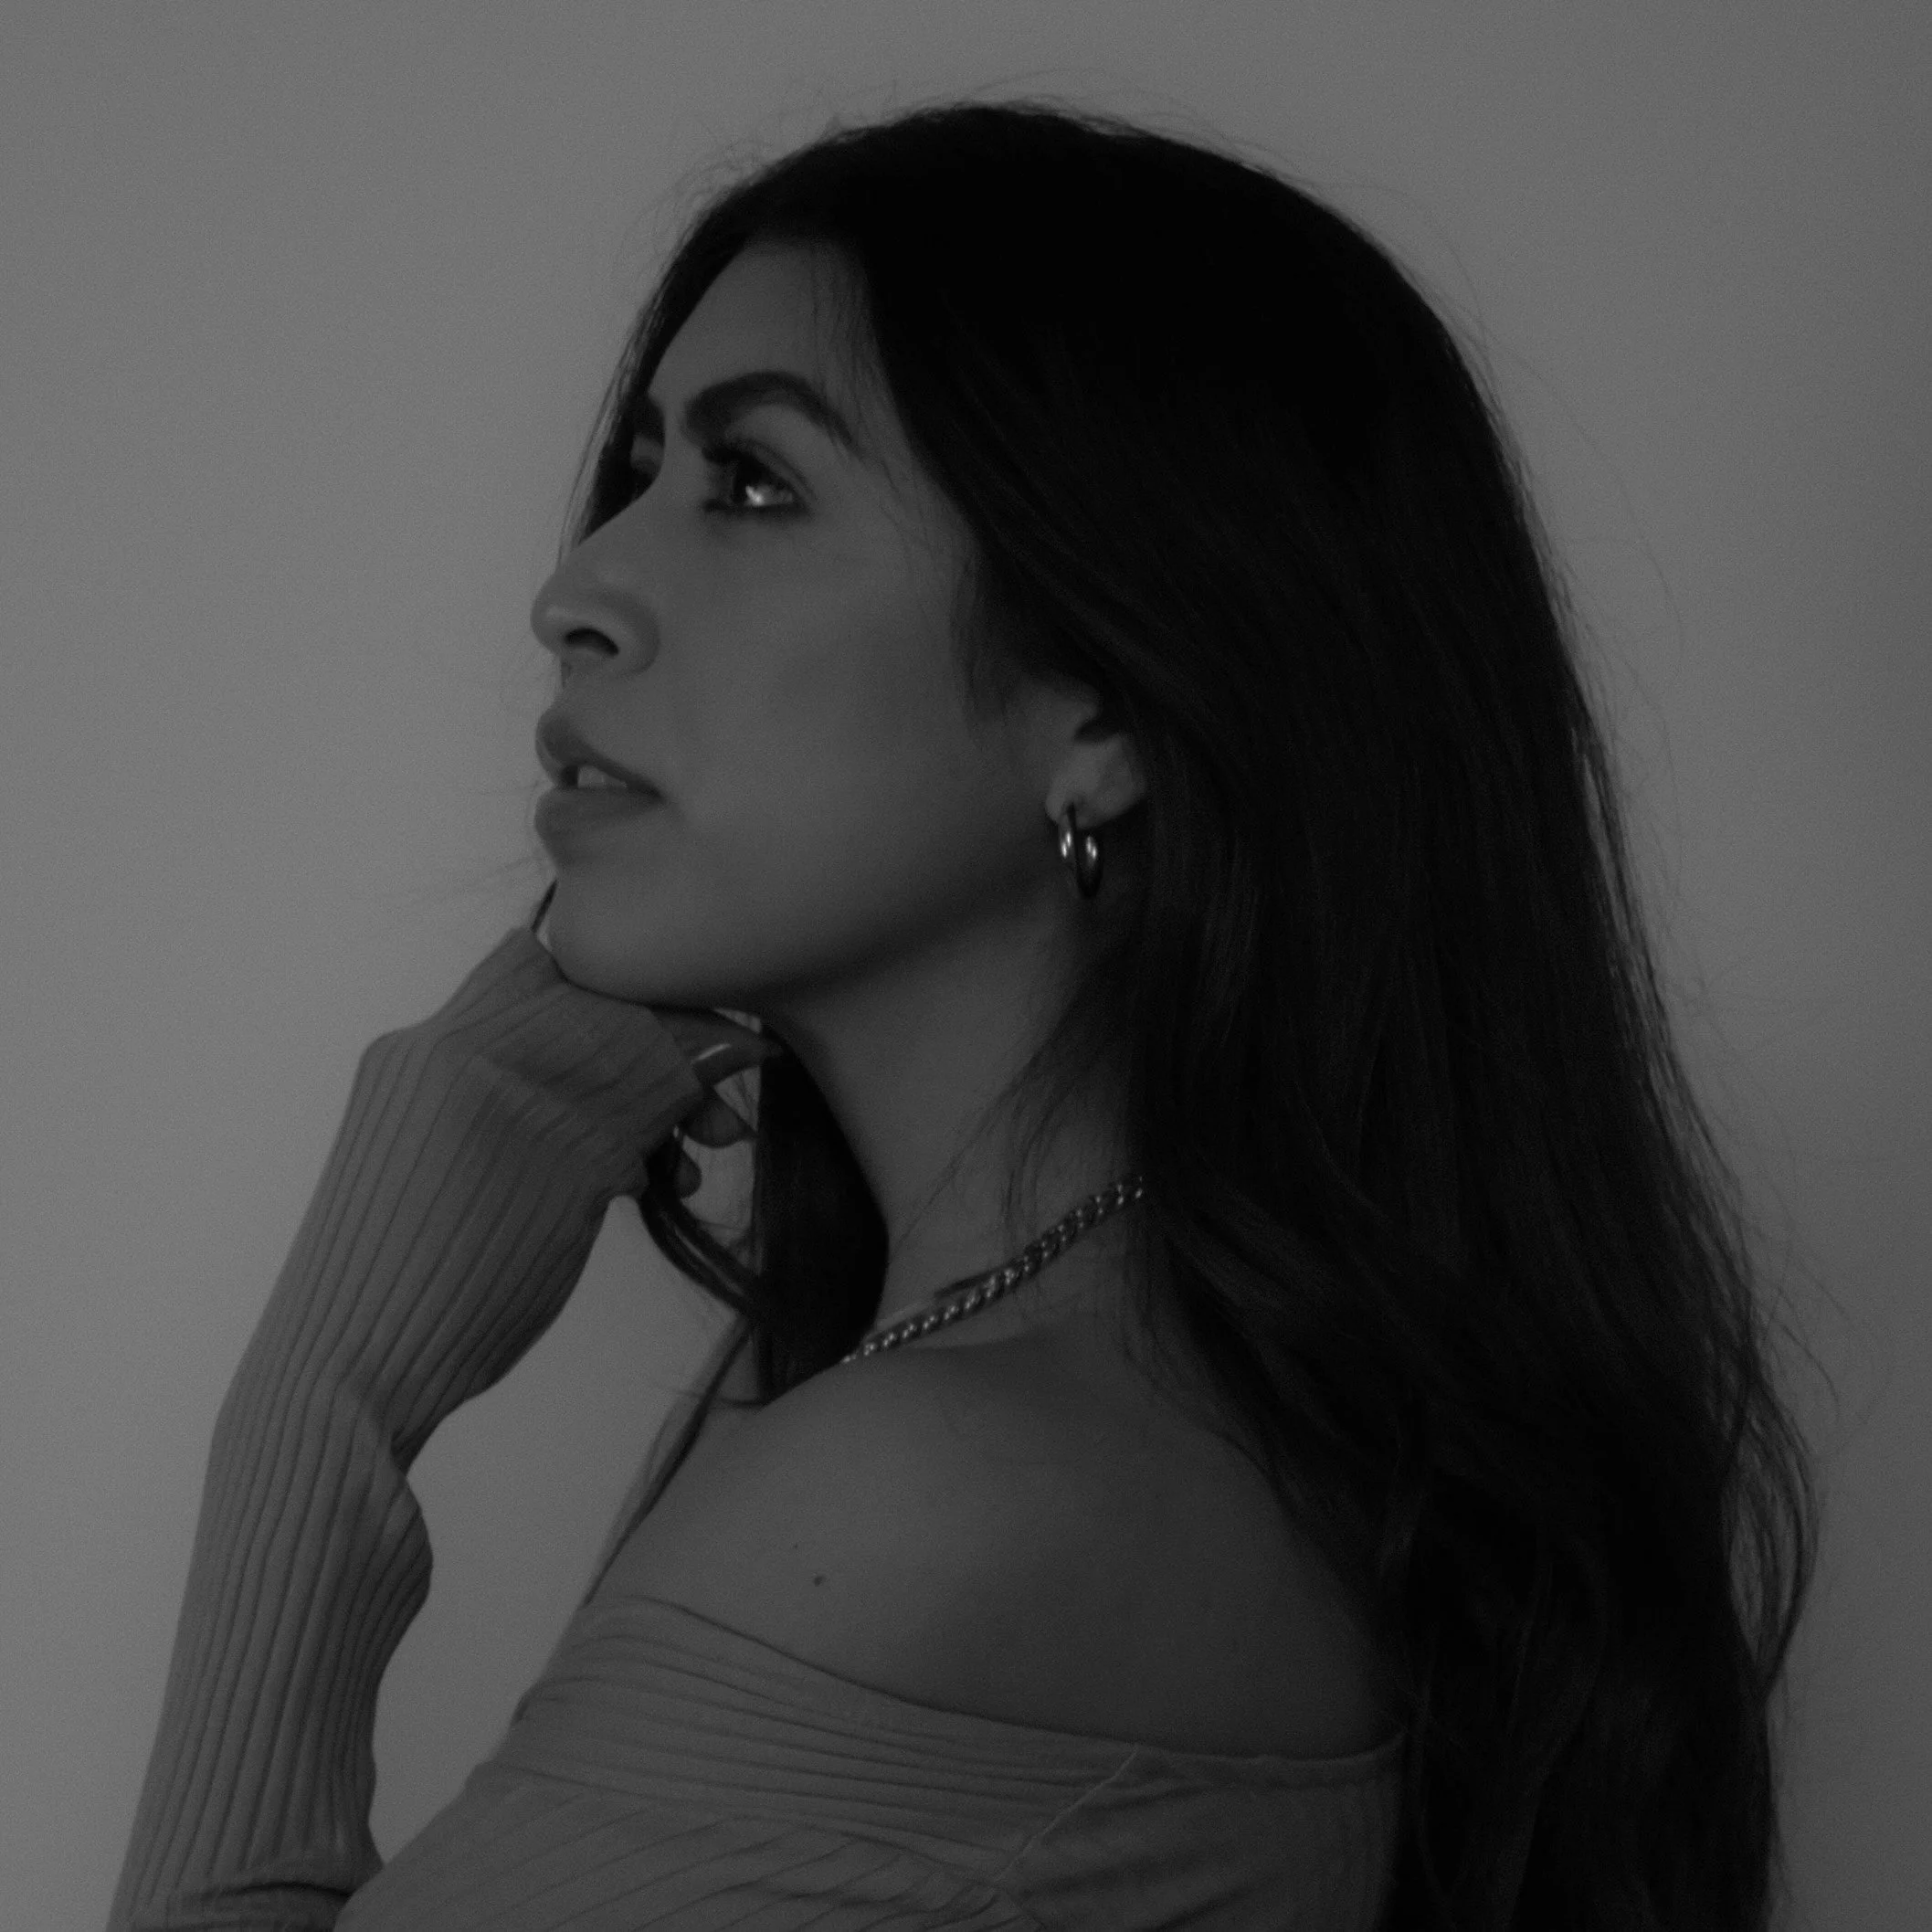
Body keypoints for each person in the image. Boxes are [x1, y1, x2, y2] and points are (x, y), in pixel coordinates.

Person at [107, 97, 1822, 1931]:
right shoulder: (1195, 1395)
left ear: (1109, 706)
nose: (577, 590)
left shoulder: (937, 1489)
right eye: (638, 468)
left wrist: (326, 1393)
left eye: (753, 486)